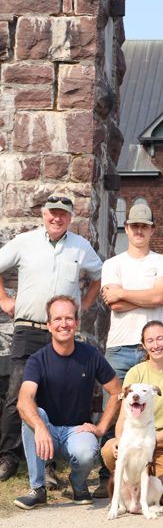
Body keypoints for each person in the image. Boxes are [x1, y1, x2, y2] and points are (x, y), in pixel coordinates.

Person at [0, 194, 103, 483]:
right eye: (52, 213)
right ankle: (8, 458)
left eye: (63, 214)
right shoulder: (25, 242)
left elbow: (98, 276)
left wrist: (84, 304)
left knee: (55, 398)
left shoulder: (80, 247)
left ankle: (48, 465)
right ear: (44, 214)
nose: (57, 218)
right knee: (17, 394)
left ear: (71, 218)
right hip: (28, 329)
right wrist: (4, 299)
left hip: (62, 334)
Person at [95, 203, 163, 498]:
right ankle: (110, 477)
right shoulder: (112, 264)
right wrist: (149, 298)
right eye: (134, 226)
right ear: (126, 228)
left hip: (149, 349)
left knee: (146, 408)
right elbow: (113, 304)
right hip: (118, 345)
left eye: (145, 226)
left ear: (152, 229)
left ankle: (147, 470)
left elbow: (161, 294)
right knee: (115, 408)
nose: (139, 230)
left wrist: (128, 293)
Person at [14, 295, 121, 510]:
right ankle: (38, 488)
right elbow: (24, 399)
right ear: (49, 325)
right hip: (48, 433)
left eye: (69, 318)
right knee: (33, 414)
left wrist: (101, 429)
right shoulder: (37, 359)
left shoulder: (90, 355)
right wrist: (41, 427)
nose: (64, 324)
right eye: (57, 319)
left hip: (77, 431)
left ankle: (79, 484)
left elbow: (117, 391)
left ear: (77, 323)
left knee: (86, 450)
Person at [100, 320, 163, 513]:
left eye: (160, 338)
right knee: (110, 449)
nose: (155, 345)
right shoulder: (136, 372)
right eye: (149, 341)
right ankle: (122, 492)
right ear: (143, 345)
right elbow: (123, 418)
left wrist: (150, 441)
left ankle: (152, 491)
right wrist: (120, 440)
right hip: (134, 441)